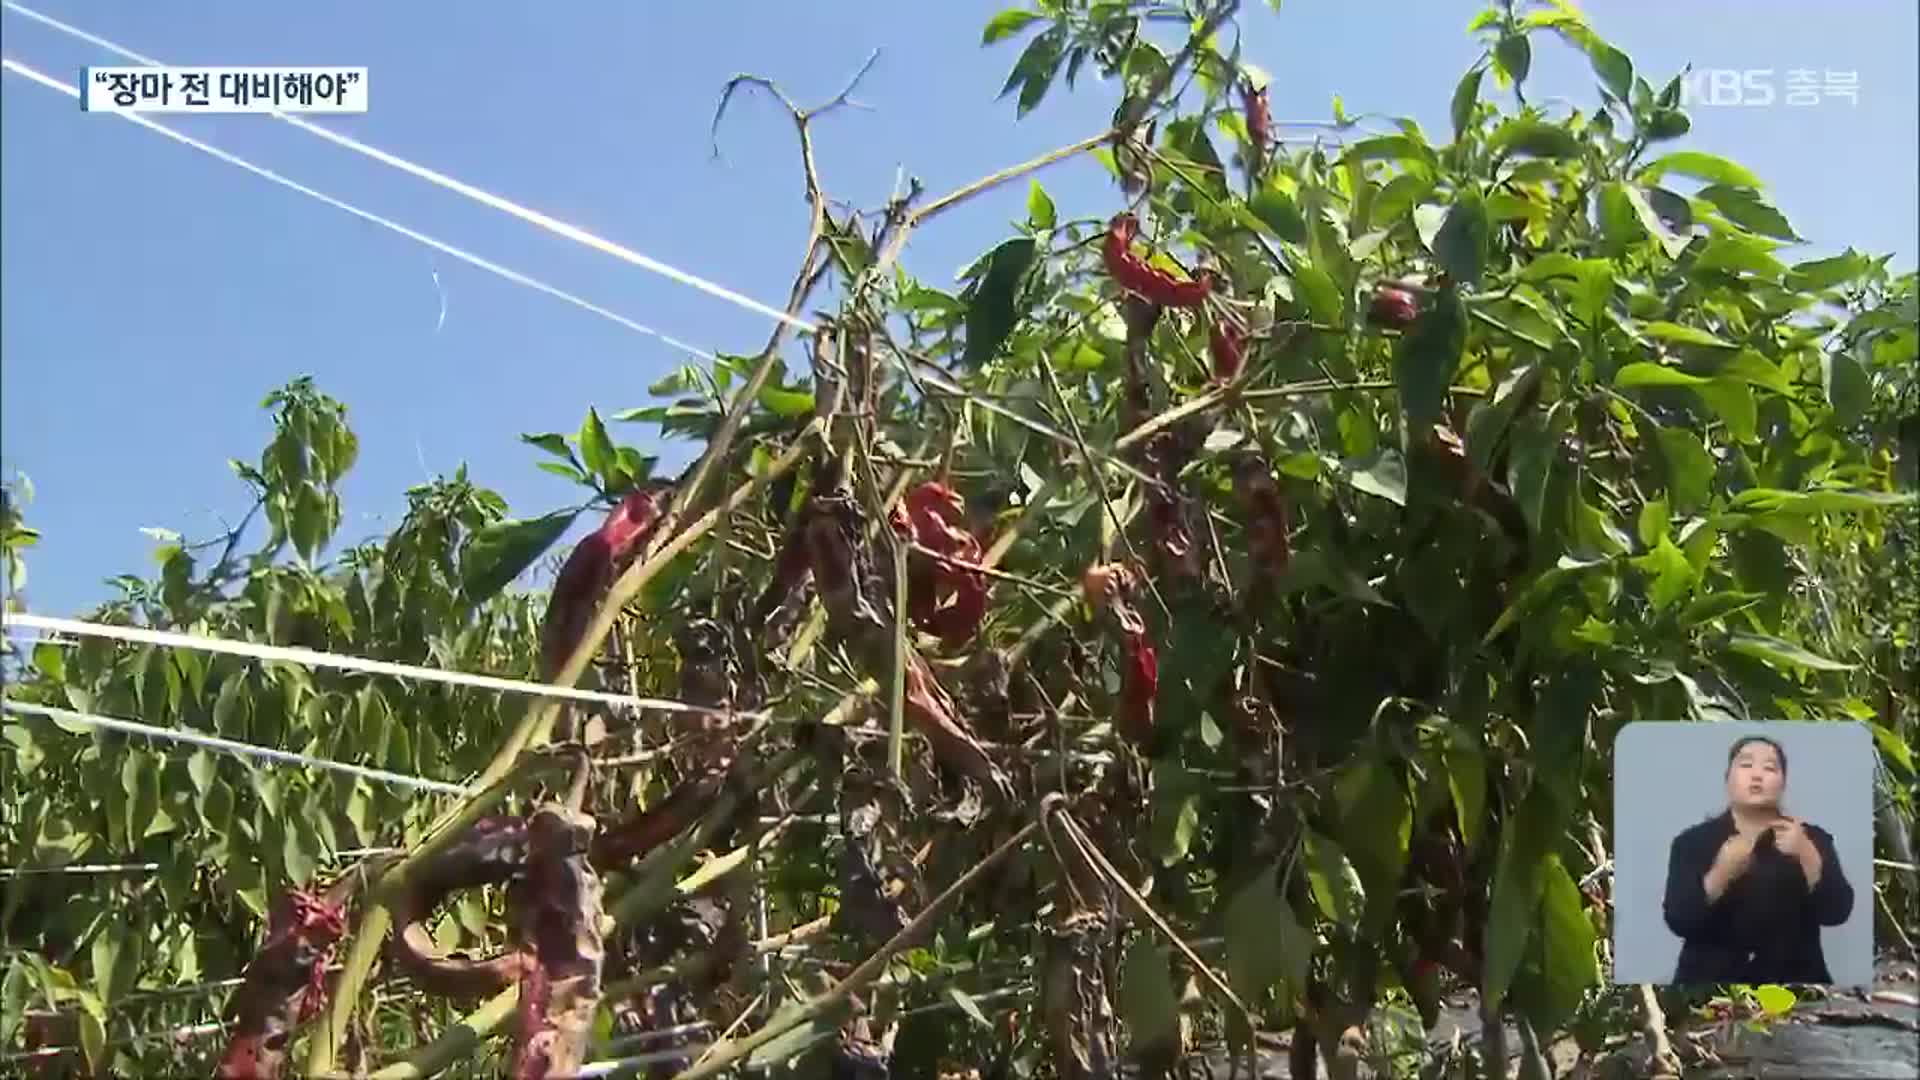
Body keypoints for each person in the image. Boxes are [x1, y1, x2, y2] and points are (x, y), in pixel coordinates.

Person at [1661, 734, 1854, 984]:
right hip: (1710, 990)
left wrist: (1807, 855)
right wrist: (1720, 874)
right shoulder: (1691, 843)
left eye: (1770, 768)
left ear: (1783, 782)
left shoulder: (1813, 839)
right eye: (1745, 765)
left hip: (1796, 989)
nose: (1757, 775)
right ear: (1727, 778)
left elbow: (1837, 913)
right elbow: (1679, 919)